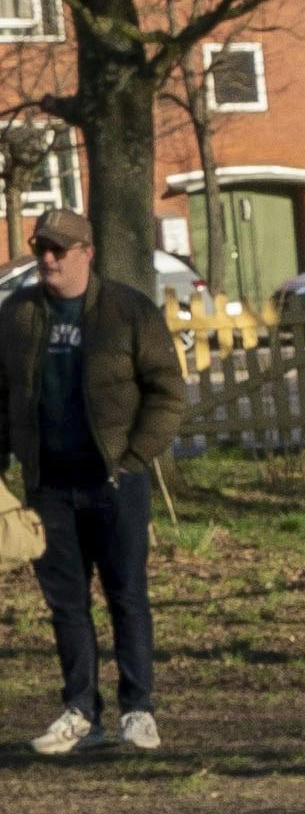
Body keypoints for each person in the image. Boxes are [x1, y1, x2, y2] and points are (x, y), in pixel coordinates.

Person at [4, 200, 182, 757]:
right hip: (49, 485)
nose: (48, 259)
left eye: (59, 249)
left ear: (87, 252)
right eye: (40, 248)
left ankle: (138, 709)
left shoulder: (128, 311)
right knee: (66, 604)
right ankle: (82, 712)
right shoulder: (17, 316)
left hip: (114, 480)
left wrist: (134, 457)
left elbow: (167, 392)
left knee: (127, 594)